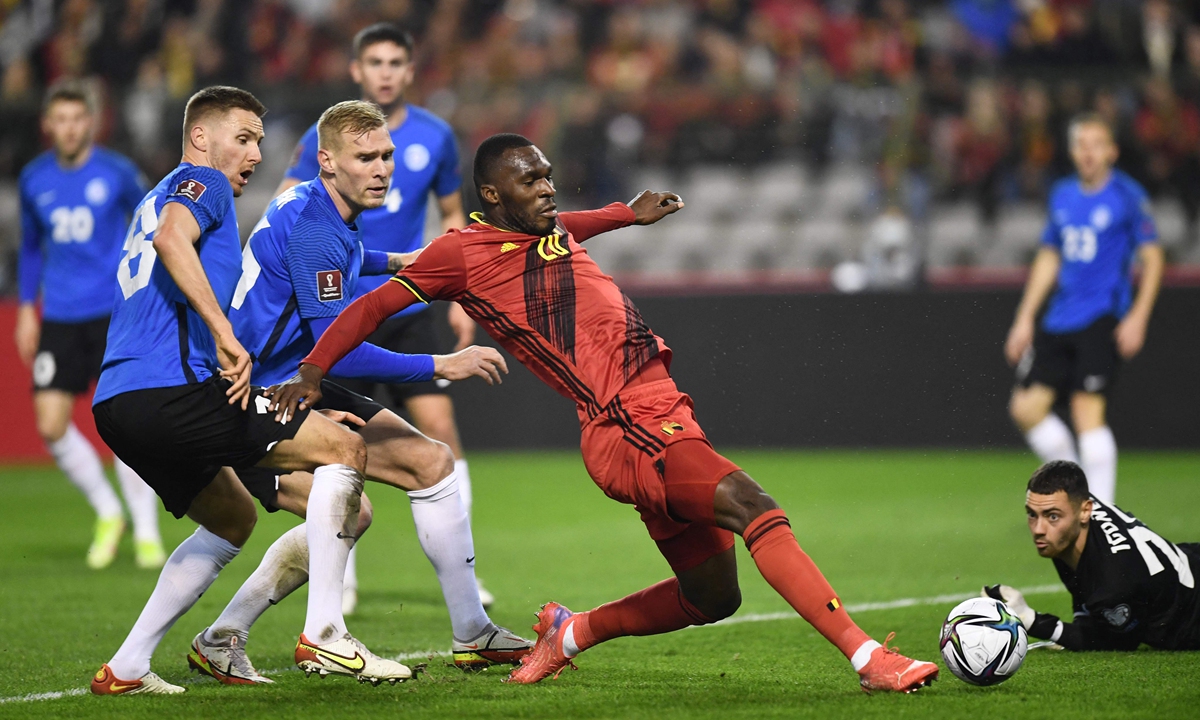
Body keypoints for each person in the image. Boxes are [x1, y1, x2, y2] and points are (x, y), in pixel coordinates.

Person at [268, 134, 940, 694]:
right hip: (624, 424)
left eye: (548, 175)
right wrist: (313, 371)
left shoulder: (549, 229)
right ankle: (868, 659)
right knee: (754, 506)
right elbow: (369, 308)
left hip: (662, 410)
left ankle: (571, 632)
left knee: (713, 598)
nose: (548, 189)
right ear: (493, 195)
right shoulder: (460, 255)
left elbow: (574, 225)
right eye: (531, 180)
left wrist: (627, 214)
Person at [186, 101, 529, 686]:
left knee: (428, 463)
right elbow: (337, 349)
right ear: (326, 160)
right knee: (333, 508)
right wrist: (442, 364)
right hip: (255, 397)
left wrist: (396, 259)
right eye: (365, 157)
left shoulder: (319, 208)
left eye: (386, 156)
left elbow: (338, 260)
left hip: (291, 383)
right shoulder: (318, 226)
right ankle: (304, 635)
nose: (382, 169)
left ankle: (472, 631)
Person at [89, 87, 409, 696]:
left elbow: (163, 265)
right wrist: (224, 334)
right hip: (174, 392)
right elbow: (171, 240)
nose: (256, 154)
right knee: (344, 449)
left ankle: (127, 667)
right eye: (243, 138)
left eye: (259, 140)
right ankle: (326, 632)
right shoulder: (202, 182)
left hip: (118, 402)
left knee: (232, 517)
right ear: (200, 138)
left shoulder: (158, 194)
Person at [275, 22, 489, 611]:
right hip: (339, 308)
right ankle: (340, 579)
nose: (386, 72)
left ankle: (464, 572)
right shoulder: (323, 140)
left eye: (396, 62)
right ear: (357, 71)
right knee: (342, 441)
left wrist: (457, 295)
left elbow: (452, 216)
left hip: (408, 300)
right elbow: (290, 206)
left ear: (410, 71)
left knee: (439, 431)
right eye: (376, 62)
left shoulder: (436, 136)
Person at [15, 80, 164, 570]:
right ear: (47, 124)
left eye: (78, 119)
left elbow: (153, 222)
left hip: (113, 313)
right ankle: (108, 511)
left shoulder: (117, 172)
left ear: (92, 122)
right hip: (59, 315)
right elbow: (31, 247)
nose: (70, 128)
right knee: (50, 424)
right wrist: (26, 309)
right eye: (61, 119)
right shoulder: (34, 178)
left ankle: (146, 531)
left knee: (123, 422)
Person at [1005, 113, 1165, 505]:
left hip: (1102, 316)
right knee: (1025, 408)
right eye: (1081, 144)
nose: (1088, 152)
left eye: (1097, 144)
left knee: (1085, 409)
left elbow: (1153, 257)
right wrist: (1025, 316)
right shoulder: (1062, 193)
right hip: (1060, 317)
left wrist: (1138, 316)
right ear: (1073, 151)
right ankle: (1077, 488)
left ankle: (1101, 515)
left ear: (1112, 151)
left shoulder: (1127, 195)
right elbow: (1049, 256)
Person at [986, 460, 1199, 650]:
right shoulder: (1072, 518)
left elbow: (1117, 641)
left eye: (1052, 516)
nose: (1039, 529)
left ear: (1086, 511)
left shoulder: (1114, 581)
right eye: (1032, 514)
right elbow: (1084, 586)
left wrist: (1032, 621)